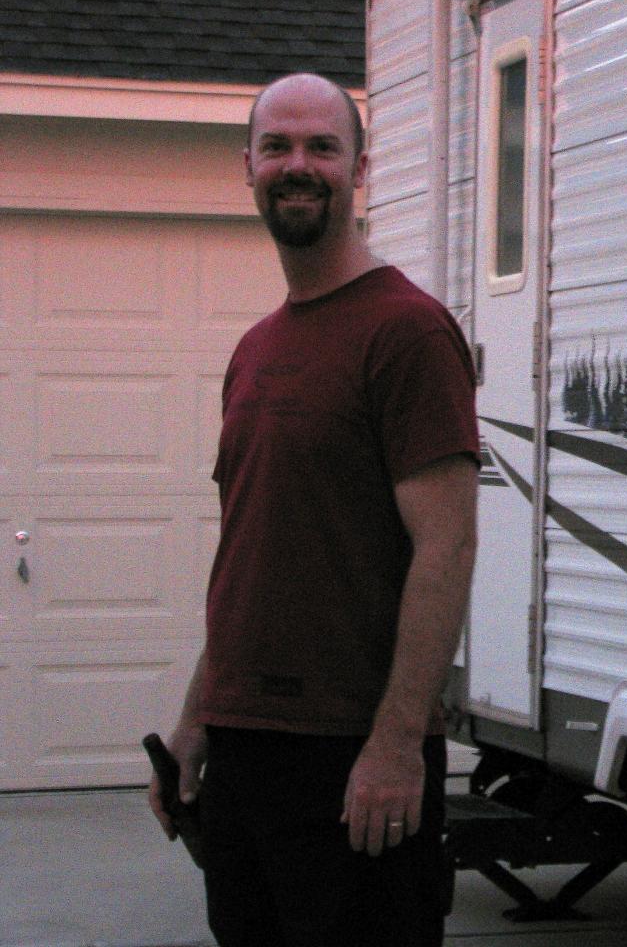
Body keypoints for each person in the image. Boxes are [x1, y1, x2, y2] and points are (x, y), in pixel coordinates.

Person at [148, 72, 479, 946]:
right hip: (245, 757)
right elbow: (256, 556)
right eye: (278, 147)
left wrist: (396, 744)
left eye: (322, 147)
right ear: (248, 167)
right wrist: (196, 718)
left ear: (360, 170)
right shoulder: (255, 350)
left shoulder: (407, 332)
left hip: (350, 760)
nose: (298, 165)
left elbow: (446, 548)